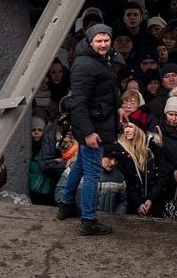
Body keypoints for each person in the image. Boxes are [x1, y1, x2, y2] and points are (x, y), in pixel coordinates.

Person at [58, 23, 120, 236]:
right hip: (93, 126)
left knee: (81, 165)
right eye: (99, 41)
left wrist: (119, 108)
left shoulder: (99, 59)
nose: (103, 44)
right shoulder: (85, 65)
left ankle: (66, 204)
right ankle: (88, 220)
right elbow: (79, 103)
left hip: (97, 121)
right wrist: (88, 133)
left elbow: (108, 89)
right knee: (93, 173)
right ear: (90, 41)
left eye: (106, 40)